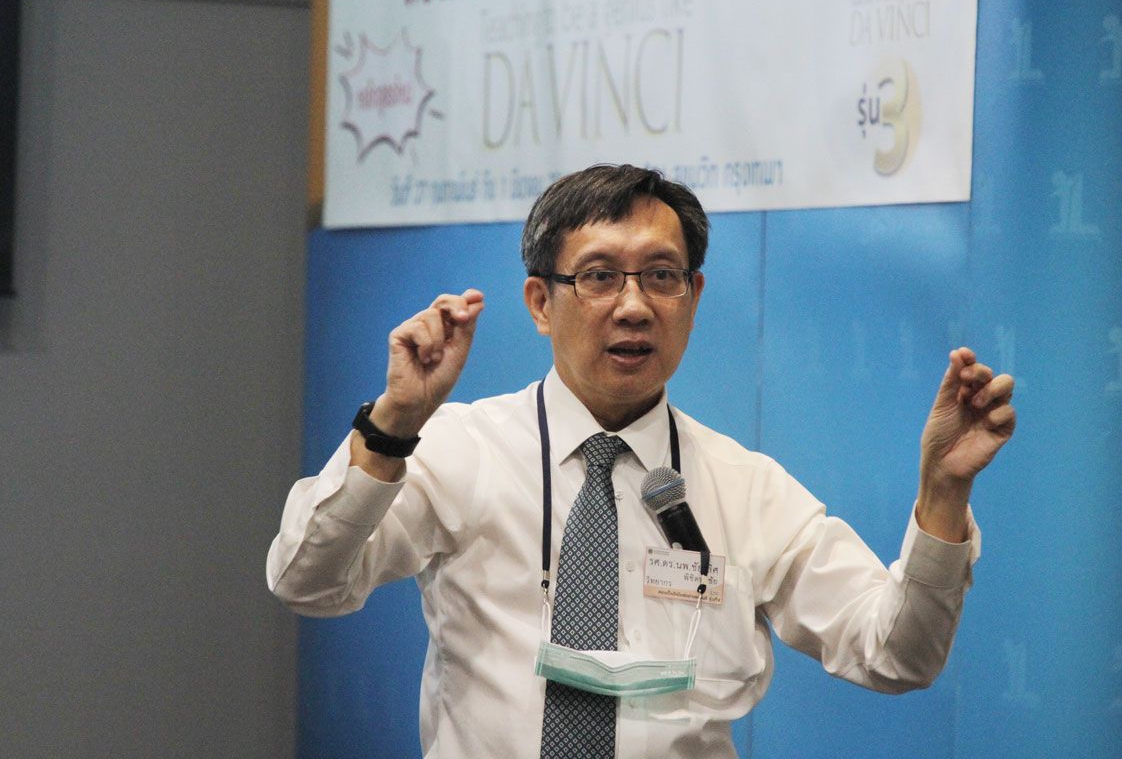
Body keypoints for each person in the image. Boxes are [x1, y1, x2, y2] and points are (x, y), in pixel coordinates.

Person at [267, 164, 1016, 758]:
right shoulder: (458, 450)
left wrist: (943, 496)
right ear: (540, 302)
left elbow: (897, 656)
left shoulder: (745, 488)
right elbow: (307, 580)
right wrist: (393, 426)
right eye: (599, 276)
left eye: (661, 276)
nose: (633, 306)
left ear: (693, 295)